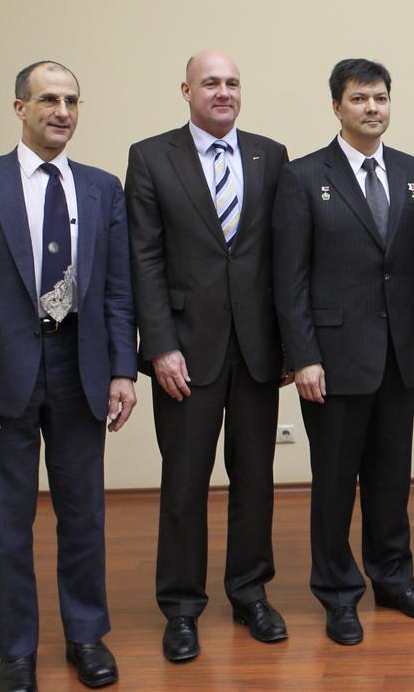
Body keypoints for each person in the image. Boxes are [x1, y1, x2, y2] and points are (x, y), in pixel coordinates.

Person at [0, 61, 137, 691]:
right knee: (7, 519)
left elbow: (117, 292)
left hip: (81, 368)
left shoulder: (103, 188)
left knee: (84, 516)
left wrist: (123, 370)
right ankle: (16, 650)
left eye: (72, 101)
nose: (62, 112)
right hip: (2, 376)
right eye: (49, 99)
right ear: (19, 107)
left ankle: (85, 637)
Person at [273, 59, 414, 646]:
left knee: (391, 480)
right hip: (333, 358)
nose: (371, 108)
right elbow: (289, 278)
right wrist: (303, 356)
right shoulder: (302, 177)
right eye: (359, 99)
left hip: (400, 354)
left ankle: (394, 579)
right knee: (334, 483)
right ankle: (338, 593)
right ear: (336, 107)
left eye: (380, 98)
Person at [125, 50, 290, 661]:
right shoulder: (150, 157)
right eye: (211, 83)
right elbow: (142, 259)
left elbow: (283, 256)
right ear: (187, 90)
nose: (223, 92)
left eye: (232, 83)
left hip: (256, 352)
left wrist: (290, 348)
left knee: (256, 480)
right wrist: (160, 345)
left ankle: (250, 593)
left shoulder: (270, 156)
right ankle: (182, 607)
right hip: (184, 354)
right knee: (185, 482)